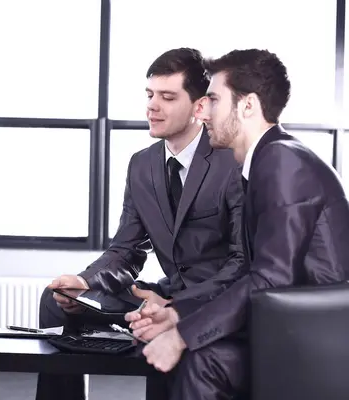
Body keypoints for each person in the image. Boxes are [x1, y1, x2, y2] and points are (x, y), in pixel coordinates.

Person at [129, 48, 349, 399]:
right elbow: (247, 271)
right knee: (180, 348)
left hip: (316, 337)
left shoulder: (282, 162)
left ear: (247, 106)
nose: (203, 110)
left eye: (214, 99)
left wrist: (183, 334)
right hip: (288, 326)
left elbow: (270, 280)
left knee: (202, 358)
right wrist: (177, 314)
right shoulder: (265, 161)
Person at [36, 48, 245, 400]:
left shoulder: (230, 162)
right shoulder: (141, 165)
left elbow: (243, 263)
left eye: (167, 97)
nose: (152, 106)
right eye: (149, 95)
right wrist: (84, 281)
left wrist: (178, 307)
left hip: (209, 303)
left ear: (199, 107)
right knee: (56, 299)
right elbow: (127, 250)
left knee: (164, 326)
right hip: (160, 295)